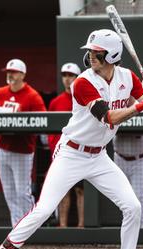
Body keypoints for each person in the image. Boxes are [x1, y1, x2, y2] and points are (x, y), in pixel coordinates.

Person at [0, 29, 143, 249]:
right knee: (43, 209)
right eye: (90, 52)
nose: (90, 57)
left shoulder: (127, 78)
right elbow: (109, 118)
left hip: (99, 157)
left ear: (111, 55)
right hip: (72, 153)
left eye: (96, 53)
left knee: (132, 206)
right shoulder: (83, 83)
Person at [0, 58, 47, 227]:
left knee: (22, 192)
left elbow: (44, 121)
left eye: (14, 72)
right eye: (8, 72)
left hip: (22, 150)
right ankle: (16, 227)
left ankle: (30, 226)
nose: (10, 75)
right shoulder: (0, 92)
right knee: (9, 192)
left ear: (23, 74)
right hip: (2, 147)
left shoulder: (33, 96)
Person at [48, 62, 85, 228]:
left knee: (80, 190)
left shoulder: (84, 97)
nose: (67, 79)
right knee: (63, 191)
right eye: (65, 75)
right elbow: (50, 131)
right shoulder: (56, 102)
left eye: (71, 75)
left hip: (81, 153)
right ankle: (62, 226)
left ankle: (81, 226)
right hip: (62, 153)